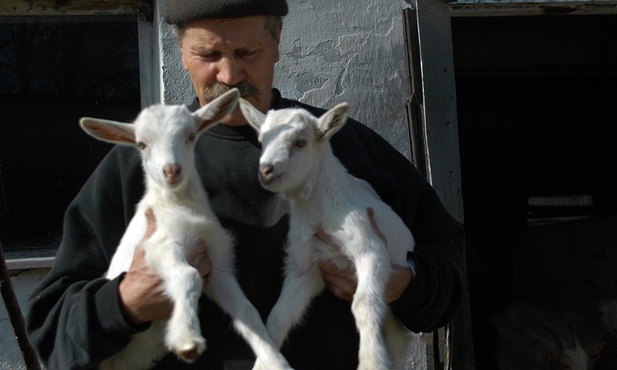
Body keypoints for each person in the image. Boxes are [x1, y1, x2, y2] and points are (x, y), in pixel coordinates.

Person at [26, 0, 465, 369]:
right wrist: (125, 302)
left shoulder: (344, 146)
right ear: (179, 51)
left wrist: (398, 284)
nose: (230, 75)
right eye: (208, 54)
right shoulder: (136, 165)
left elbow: (449, 273)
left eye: (247, 51)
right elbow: (51, 334)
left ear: (277, 42)